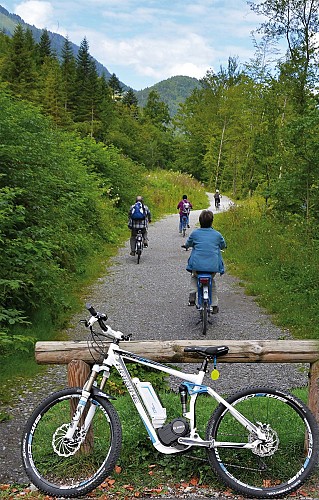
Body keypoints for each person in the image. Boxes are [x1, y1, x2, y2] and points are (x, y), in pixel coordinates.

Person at [183, 210, 226, 313]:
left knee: (194, 276)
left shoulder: (195, 233)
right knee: (212, 283)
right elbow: (223, 245)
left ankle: (192, 293)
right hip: (212, 267)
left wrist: (186, 246)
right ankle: (214, 304)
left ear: (200, 221)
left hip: (197, 267)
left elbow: (188, 243)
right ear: (212, 222)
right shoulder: (217, 235)